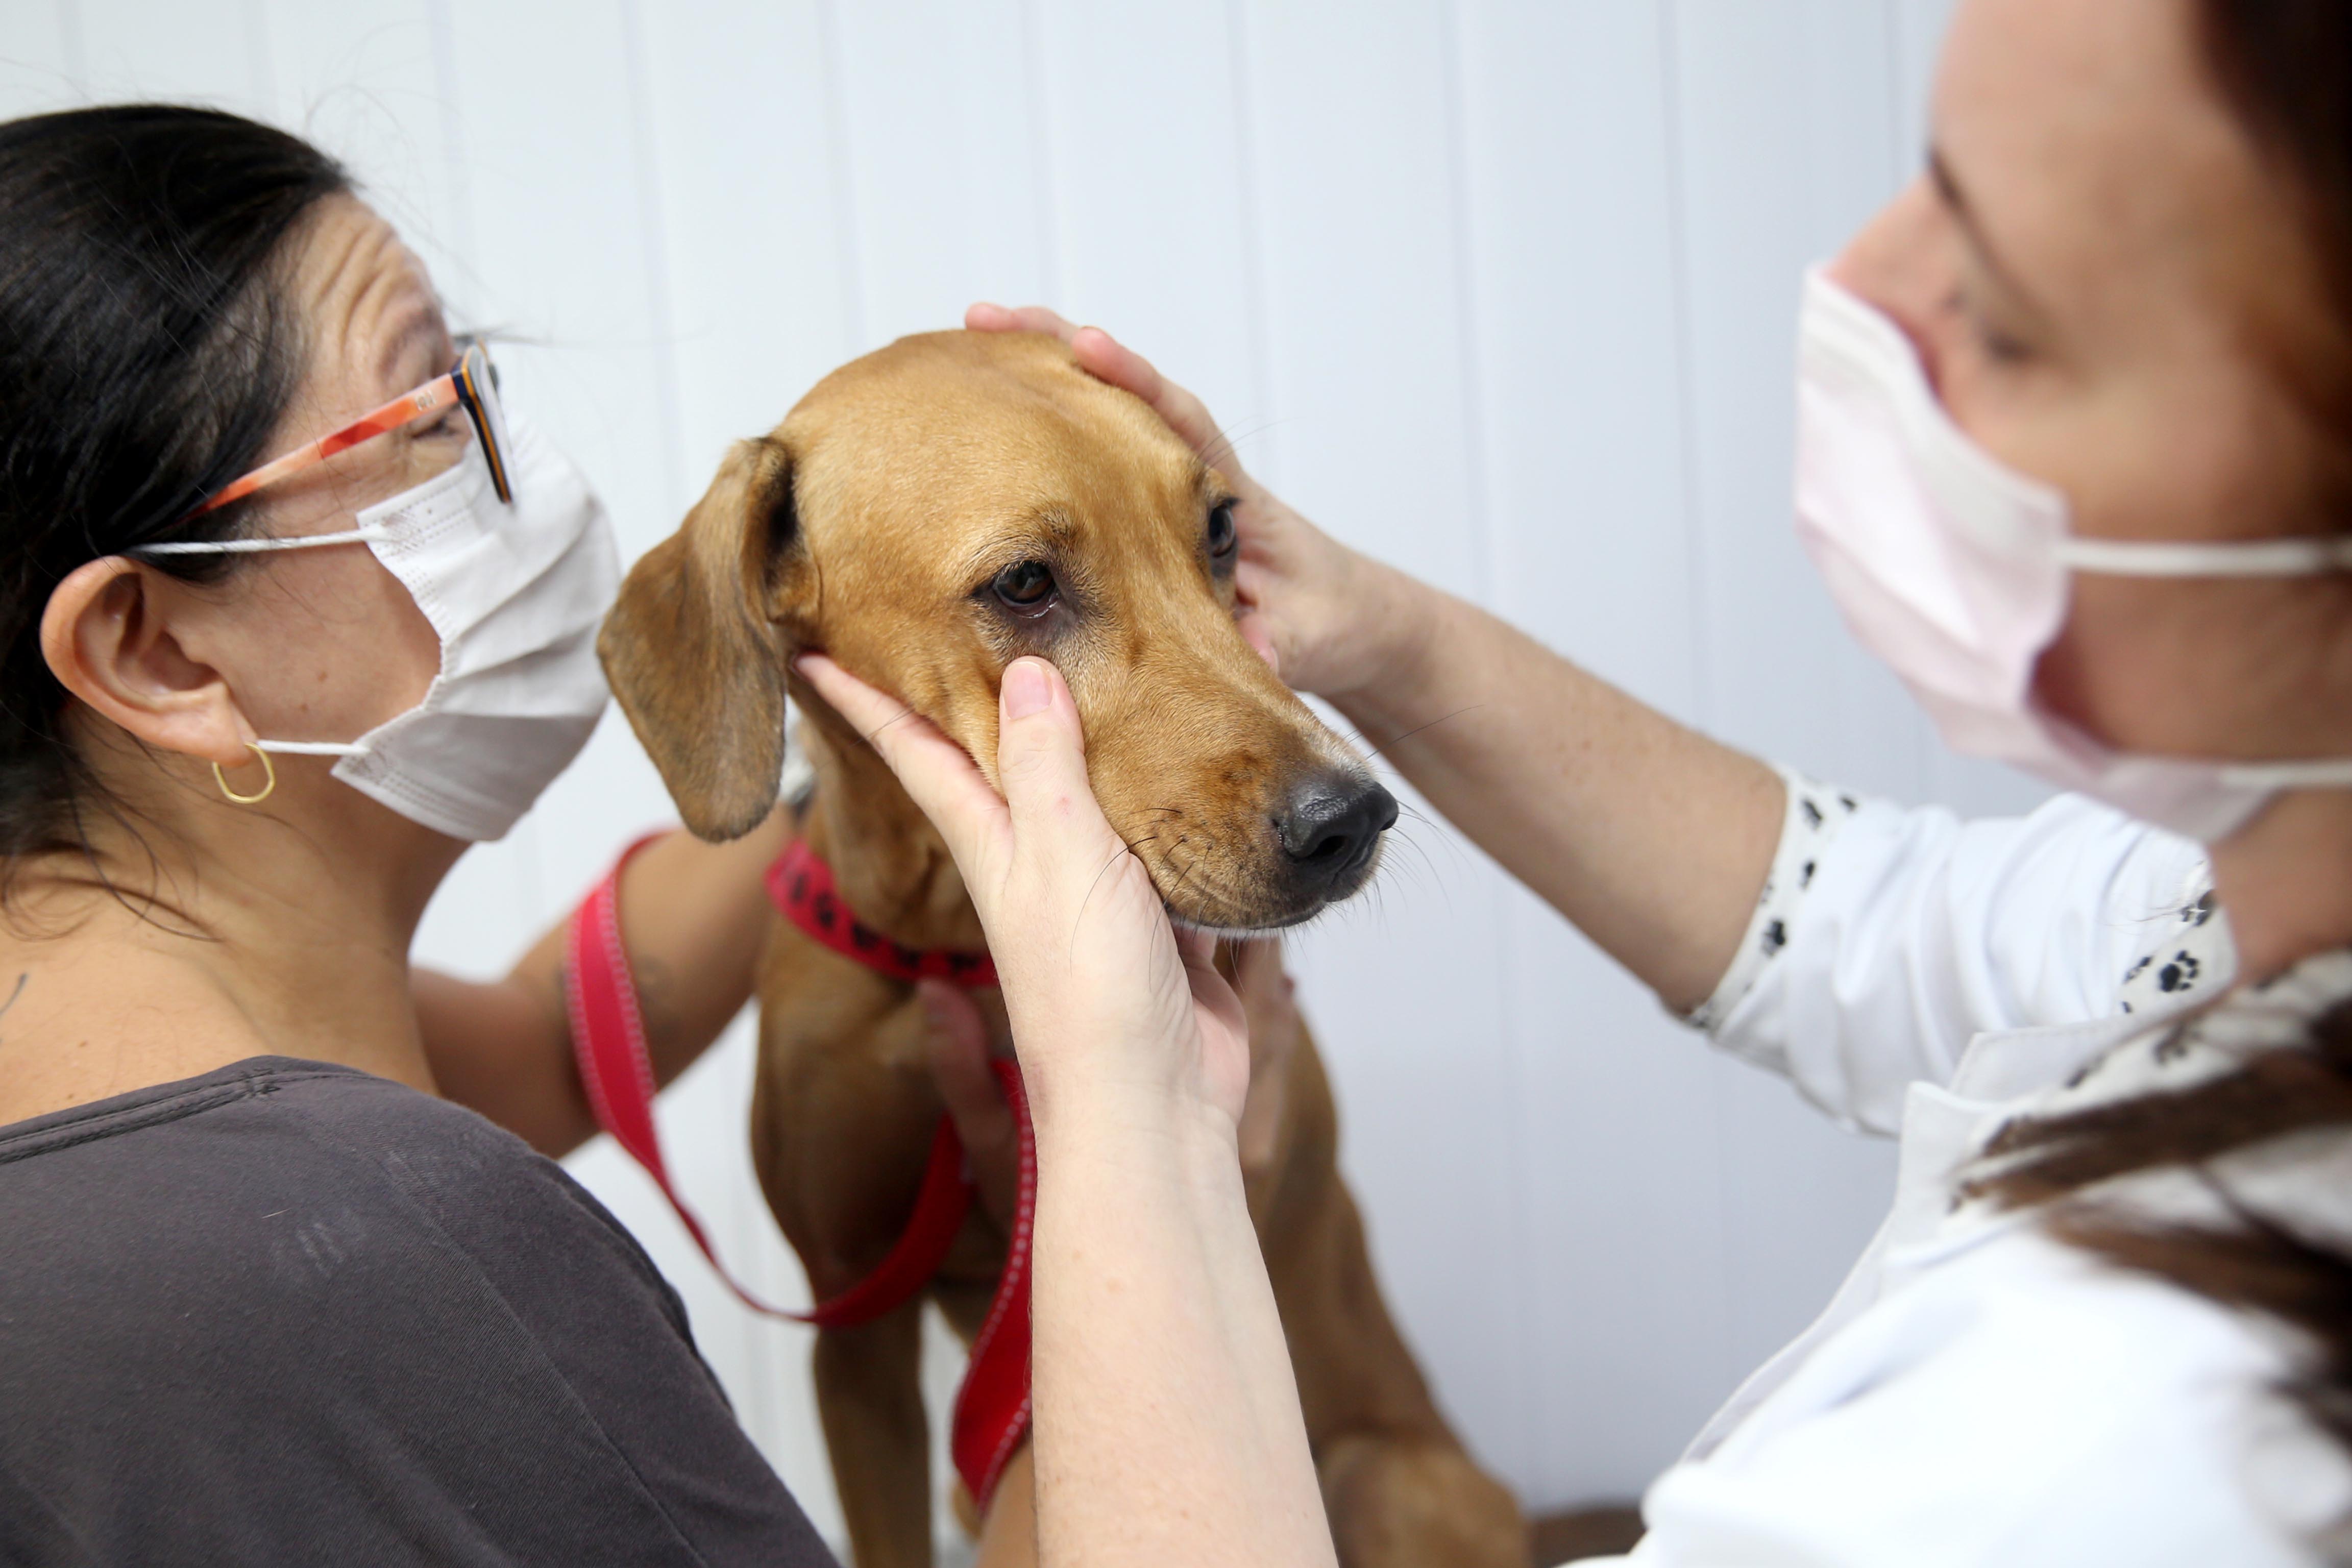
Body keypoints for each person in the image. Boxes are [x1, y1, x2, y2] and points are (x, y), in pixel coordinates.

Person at [799, 0, 2352, 1561]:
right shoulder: (2205, 922)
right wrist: (1373, 630)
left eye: (2016, 308)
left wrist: (1143, 1133)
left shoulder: (2133, 1455)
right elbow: (1858, 919)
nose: (1847, 290)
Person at [0, 104, 833, 1562]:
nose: (526, 476)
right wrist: (1138, 1121)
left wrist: (852, 801)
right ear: (155, 654)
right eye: (434, 420)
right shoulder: (382, 1243)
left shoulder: (124, 1101)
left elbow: (556, 1045)